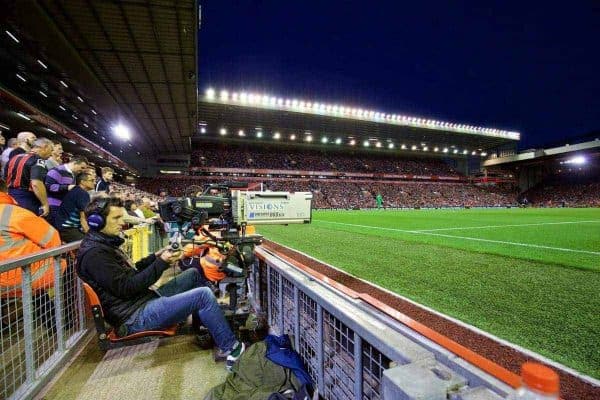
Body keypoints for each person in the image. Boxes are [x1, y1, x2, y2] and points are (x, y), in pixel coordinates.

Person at [76, 197, 245, 370]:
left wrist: (157, 256)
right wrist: (162, 262)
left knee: (193, 274)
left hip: (141, 302)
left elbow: (133, 271)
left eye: (122, 217)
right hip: (134, 318)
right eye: (116, 218)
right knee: (203, 295)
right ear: (96, 222)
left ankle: (204, 325)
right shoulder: (95, 254)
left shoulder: (103, 244)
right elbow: (128, 288)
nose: (123, 222)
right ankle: (232, 348)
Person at [4, 137, 53, 216]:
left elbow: (5, 178)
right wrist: (45, 204)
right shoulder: (38, 160)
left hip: (10, 197)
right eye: (51, 150)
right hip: (27, 200)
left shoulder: (15, 157)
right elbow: (36, 184)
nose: (51, 154)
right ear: (45, 147)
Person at [45, 155, 88, 226]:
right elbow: (48, 186)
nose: (82, 171)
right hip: (52, 207)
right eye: (82, 167)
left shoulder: (72, 175)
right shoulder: (57, 170)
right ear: (74, 163)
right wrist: (67, 187)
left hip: (61, 208)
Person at [54, 172, 95, 242]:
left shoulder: (75, 190)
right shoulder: (83, 193)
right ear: (83, 182)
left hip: (60, 225)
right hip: (67, 229)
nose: (94, 183)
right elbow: (83, 220)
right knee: (90, 243)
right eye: (92, 180)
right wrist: (92, 236)